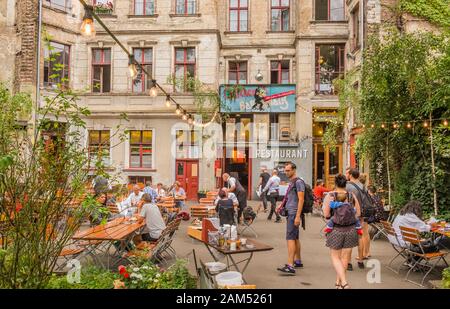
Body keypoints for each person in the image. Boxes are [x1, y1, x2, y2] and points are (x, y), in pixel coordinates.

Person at [323, 174, 361, 289]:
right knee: (345, 258)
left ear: (335, 183)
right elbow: (358, 213)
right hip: (351, 230)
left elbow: (326, 214)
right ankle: (338, 283)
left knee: (335, 257)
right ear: (346, 183)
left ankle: (344, 282)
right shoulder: (351, 195)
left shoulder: (330, 196)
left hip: (336, 230)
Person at [276, 162, 304, 275]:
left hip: (293, 214)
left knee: (290, 238)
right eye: (285, 170)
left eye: (288, 170)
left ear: (294, 170)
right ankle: (298, 261)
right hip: (291, 212)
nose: (286, 172)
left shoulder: (298, 182)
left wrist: (297, 216)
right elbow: (289, 197)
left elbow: (301, 199)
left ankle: (290, 265)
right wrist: (281, 205)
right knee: (295, 237)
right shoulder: (292, 182)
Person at [345, 167, 370, 269]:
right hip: (361, 214)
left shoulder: (348, 186)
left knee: (349, 238)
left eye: (347, 174)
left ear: (350, 175)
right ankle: (360, 260)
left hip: (351, 214)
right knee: (360, 237)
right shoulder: (363, 186)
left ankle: (349, 263)